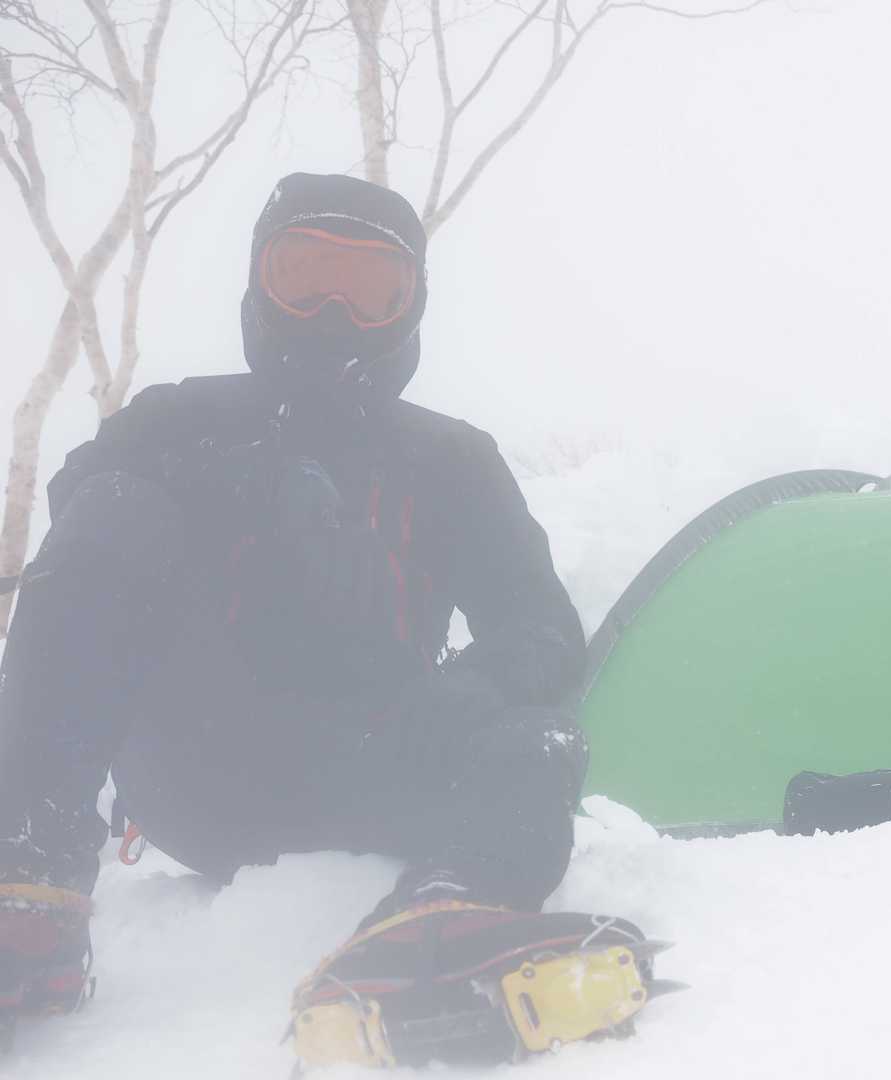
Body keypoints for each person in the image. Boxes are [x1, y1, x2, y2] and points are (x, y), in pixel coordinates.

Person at [0, 173, 656, 1066]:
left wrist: (476, 682)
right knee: (118, 504)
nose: (334, 316)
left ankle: (452, 906)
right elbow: (82, 529)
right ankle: (30, 872)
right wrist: (230, 478)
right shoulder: (178, 420)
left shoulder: (452, 460)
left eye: (372, 290)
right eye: (303, 279)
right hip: (196, 765)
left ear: (411, 307)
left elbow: (542, 628)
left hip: (376, 756)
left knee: (540, 738)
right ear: (257, 285)